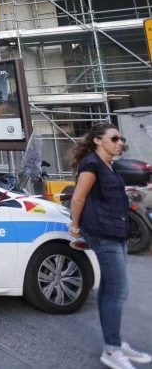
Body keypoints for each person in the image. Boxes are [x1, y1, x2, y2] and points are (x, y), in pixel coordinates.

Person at [68, 123, 151, 369]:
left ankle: (113, 342)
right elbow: (79, 197)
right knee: (118, 291)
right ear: (97, 141)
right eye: (114, 138)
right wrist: (74, 226)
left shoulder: (108, 166)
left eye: (121, 139)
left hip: (117, 232)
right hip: (103, 234)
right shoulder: (91, 164)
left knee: (109, 289)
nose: (120, 143)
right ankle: (112, 350)